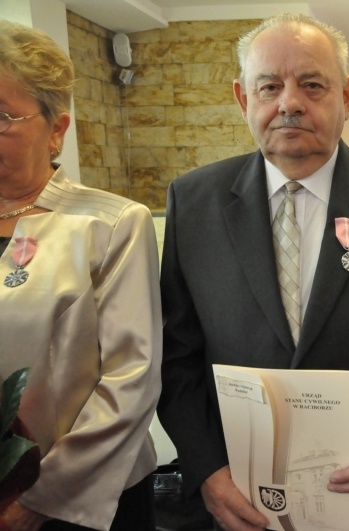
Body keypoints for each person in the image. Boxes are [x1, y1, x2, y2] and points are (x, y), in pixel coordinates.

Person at [156, 13, 349, 531]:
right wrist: (207, 470)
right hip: (235, 494)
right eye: (269, 86)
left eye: (312, 85)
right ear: (244, 99)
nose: (289, 103)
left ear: (347, 96)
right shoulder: (192, 201)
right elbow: (177, 355)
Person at [0, 21, 162, 531]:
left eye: (1, 117)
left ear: (56, 129)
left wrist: (40, 499)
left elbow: (131, 380)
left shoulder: (111, 224)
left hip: (80, 499)